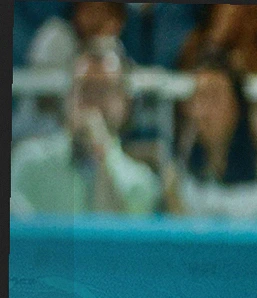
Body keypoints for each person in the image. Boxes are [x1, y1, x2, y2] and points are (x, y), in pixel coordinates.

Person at [10, 37, 160, 216]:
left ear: (125, 103)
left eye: (103, 91)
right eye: (84, 89)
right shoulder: (28, 162)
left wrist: (102, 158)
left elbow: (118, 230)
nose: (92, 103)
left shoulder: (141, 181)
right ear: (68, 98)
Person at [163, 48, 257, 221]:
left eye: (213, 97)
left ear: (237, 106)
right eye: (198, 98)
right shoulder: (179, 174)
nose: (202, 111)